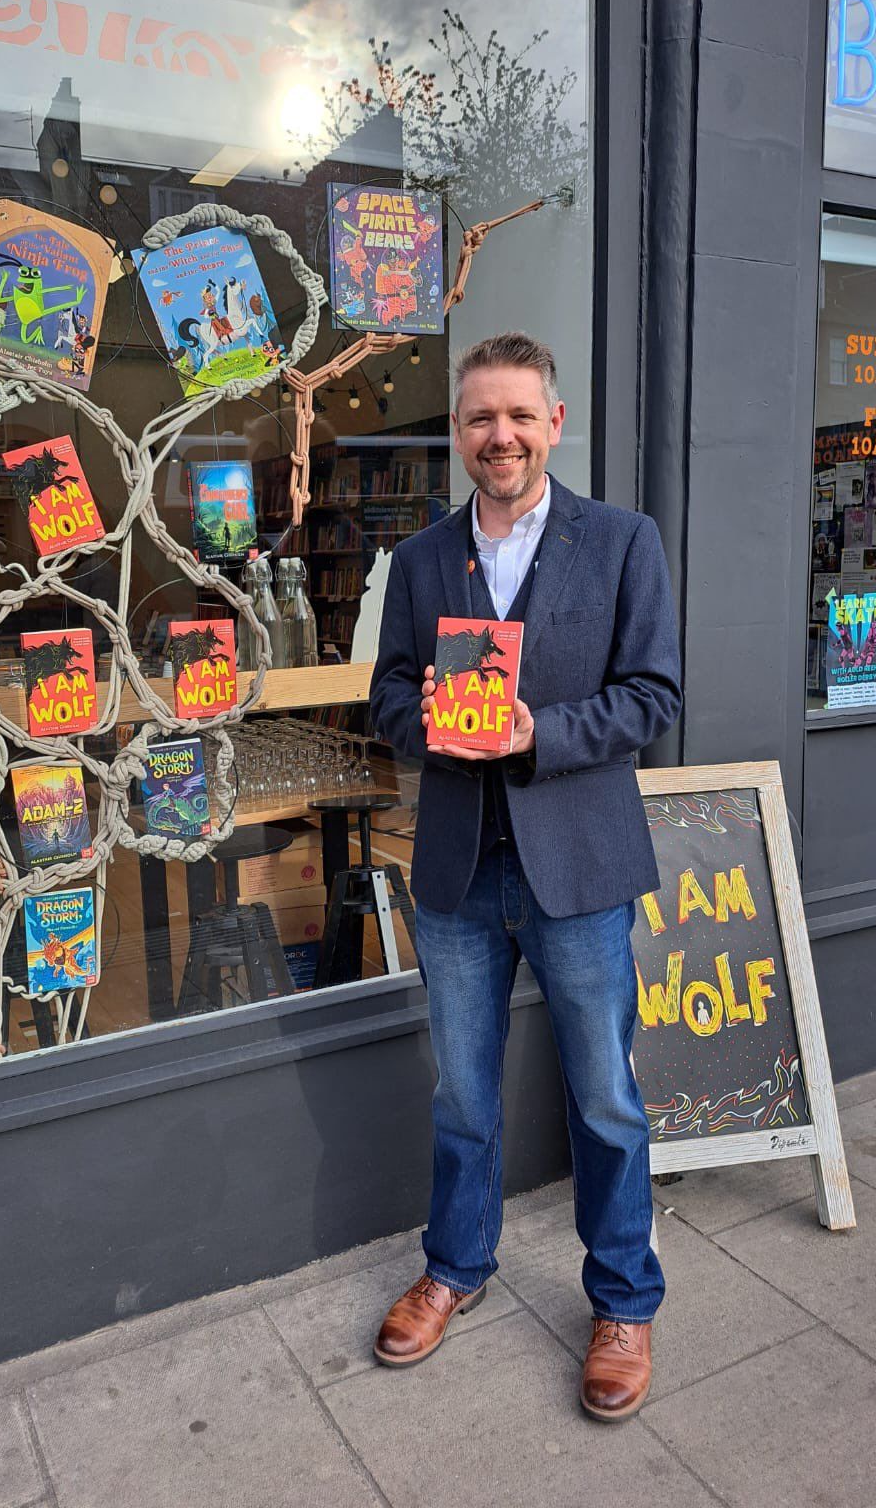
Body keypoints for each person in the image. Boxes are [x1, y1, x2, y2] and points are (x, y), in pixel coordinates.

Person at [369, 331, 682, 1422]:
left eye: (516, 415)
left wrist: (530, 731)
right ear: (458, 435)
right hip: (457, 869)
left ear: (554, 421)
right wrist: (436, 730)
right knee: (463, 1093)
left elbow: (652, 697)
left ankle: (624, 1299)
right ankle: (455, 1266)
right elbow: (389, 696)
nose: (497, 435)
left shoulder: (622, 541)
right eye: (476, 419)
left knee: (604, 1096)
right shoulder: (419, 560)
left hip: (579, 867)